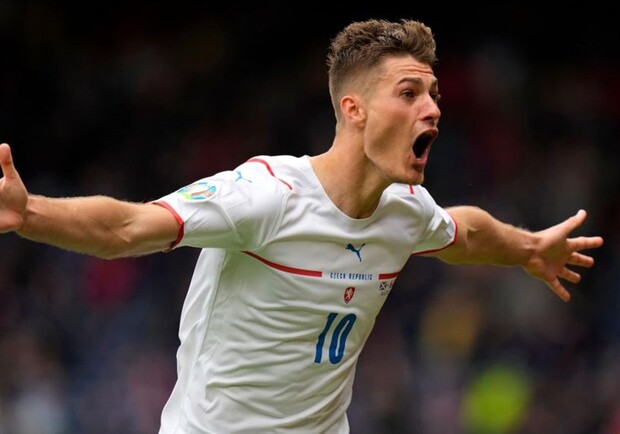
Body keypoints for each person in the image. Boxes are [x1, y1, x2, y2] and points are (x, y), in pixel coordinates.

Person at [0, 18, 604, 434]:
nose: (433, 109)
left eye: (435, 94)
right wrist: (29, 214)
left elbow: (464, 233)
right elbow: (128, 227)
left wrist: (528, 248)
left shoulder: (405, 210)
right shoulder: (266, 195)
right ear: (354, 110)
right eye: (410, 93)